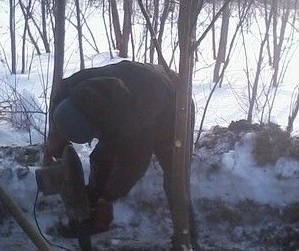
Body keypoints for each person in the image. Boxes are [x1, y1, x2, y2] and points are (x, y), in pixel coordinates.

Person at [46, 61, 195, 237]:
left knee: (175, 177)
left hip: (175, 104)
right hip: (140, 83)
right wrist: (56, 130)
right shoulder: (76, 89)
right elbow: (60, 94)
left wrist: (108, 199)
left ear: (97, 127)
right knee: (100, 159)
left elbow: (134, 164)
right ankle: (87, 218)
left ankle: (187, 241)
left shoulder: (131, 120)